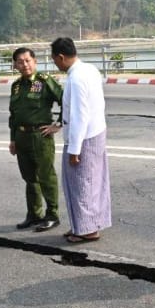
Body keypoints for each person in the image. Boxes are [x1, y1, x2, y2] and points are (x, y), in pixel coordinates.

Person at [49, 37, 111, 243]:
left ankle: (86, 230)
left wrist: (74, 150)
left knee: (81, 185)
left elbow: (79, 116)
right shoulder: (89, 70)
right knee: (95, 183)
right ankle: (84, 225)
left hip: (84, 138)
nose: (55, 64)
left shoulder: (75, 79)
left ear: (61, 57)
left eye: (54, 60)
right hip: (96, 133)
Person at [7, 46, 64, 232]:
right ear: (15, 65)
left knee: (46, 176)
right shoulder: (16, 86)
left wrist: (58, 124)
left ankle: (52, 215)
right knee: (29, 178)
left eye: (27, 60)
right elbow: (13, 115)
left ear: (35, 61)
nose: (24, 65)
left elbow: (67, 102)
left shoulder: (45, 82)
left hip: (40, 136)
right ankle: (34, 214)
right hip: (21, 137)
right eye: (20, 62)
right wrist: (13, 139)